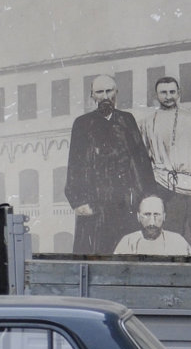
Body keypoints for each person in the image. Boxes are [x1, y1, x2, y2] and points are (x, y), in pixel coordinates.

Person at [64, 74, 156, 254]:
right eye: (99, 92)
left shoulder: (126, 120)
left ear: (116, 93)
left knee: (128, 252)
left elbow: (141, 160)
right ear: (92, 96)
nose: (105, 96)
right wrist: (78, 201)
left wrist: (147, 197)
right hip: (95, 204)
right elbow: (74, 165)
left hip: (126, 203)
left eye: (109, 91)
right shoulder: (82, 124)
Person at [139, 76, 191, 246]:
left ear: (179, 93)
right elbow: (142, 158)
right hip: (164, 188)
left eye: (172, 92)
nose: (168, 96)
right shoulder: (146, 123)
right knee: (170, 240)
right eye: (163, 93)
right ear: (156, 95)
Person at [113, 194, 191, 256]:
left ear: (164, 216)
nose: (152, 222)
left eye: (156, 214)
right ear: (138, 217)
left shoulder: (178, 242)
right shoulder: (127, 242)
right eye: (147, 214)